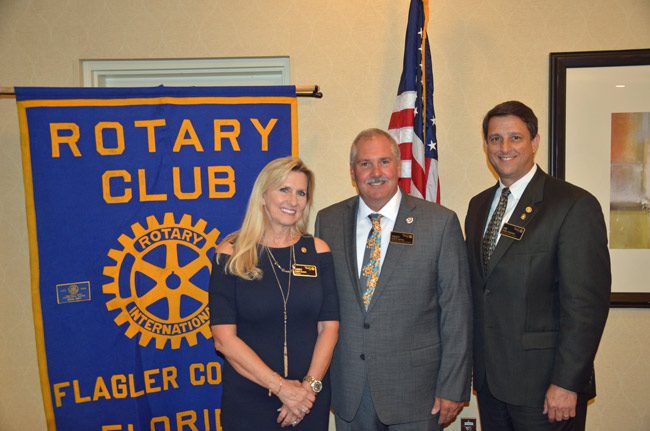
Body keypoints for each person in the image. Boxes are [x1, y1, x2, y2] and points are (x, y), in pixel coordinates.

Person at [465, 100, 611, 431]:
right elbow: (481, 289)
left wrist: (566, 383)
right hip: (491, 385)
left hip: (546, 389)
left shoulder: (573, 205)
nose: (504, 148)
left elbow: (585, 305)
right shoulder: (478, 207)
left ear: (535, 142)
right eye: (494, 138)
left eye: (515, 138)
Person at [315, 128, 472, 431]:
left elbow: (457, 311)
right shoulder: (328, 220)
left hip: (416, 393)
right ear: (352, 171)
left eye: (384, 162)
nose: (376, 172)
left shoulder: (439, 223)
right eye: (365, 163)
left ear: (398, 167)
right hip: (350, 391)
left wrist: (452, 386)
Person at [209, 156, 339, 430]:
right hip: (249, 401)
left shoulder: (318, 251)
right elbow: (223, 340)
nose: (293, 201)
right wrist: (282, 388)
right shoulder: (231, 252)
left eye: (301, 193)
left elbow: (329, 327)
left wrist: (308, 389)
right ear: (263, 196)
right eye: (284, 190)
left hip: (309, 401)